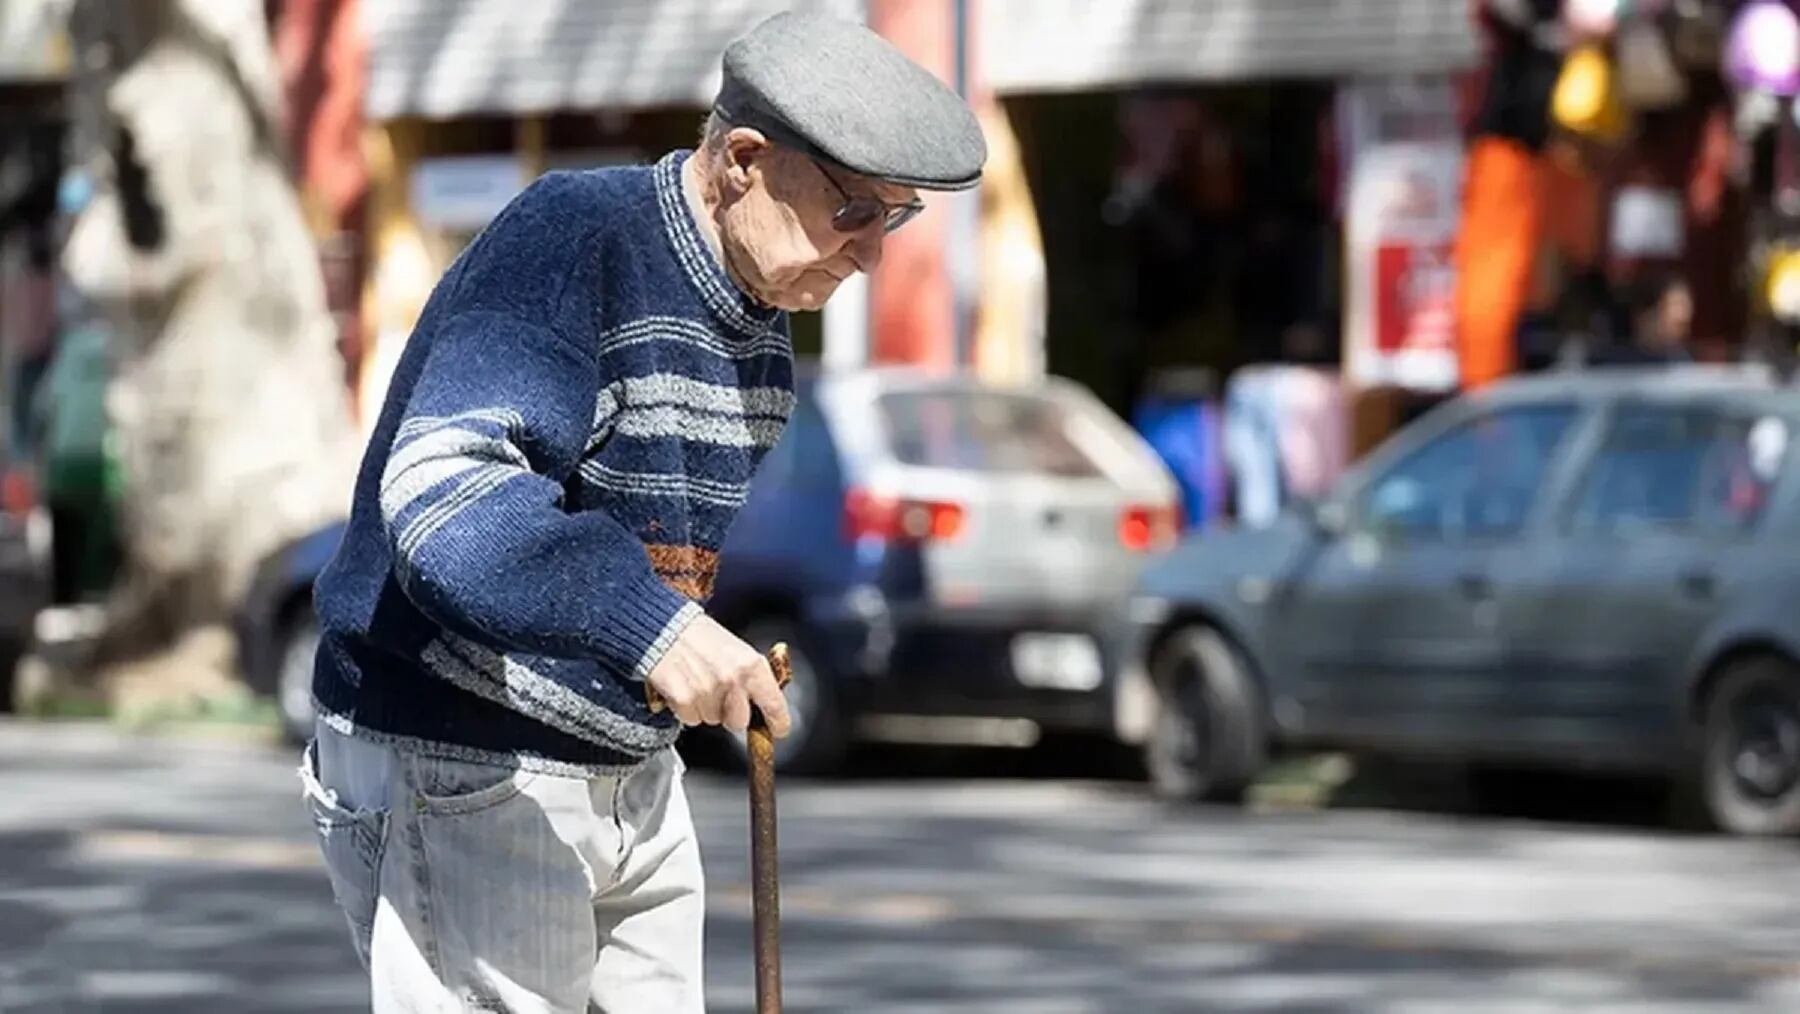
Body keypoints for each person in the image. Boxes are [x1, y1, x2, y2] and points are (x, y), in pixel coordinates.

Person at [300, 12, 984, 1012]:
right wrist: (655, 629)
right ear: (744, 160)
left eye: (899, 217)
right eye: (855, 213)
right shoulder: (574, 238)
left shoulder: (763, 336)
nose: (875, 253)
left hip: (626, 770)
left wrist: (682, 648)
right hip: (465, 756)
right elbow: (446, 496)